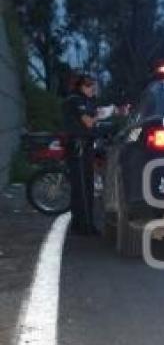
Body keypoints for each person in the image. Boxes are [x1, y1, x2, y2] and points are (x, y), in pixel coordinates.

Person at [62, 73, 98, 234]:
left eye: (93, 85)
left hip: (85, 146)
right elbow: (88, 122)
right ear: (80, 86)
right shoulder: (75, 100)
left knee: (83, 186)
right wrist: (102, 114)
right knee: (83, 187)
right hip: (79, 147)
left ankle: (79, 223)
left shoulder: (86, 100)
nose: (92, 88)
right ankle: (85, 225)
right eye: (89, 85)